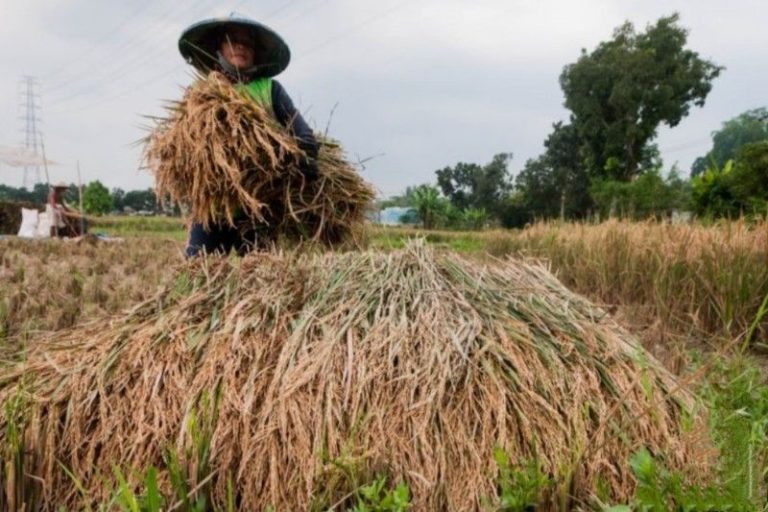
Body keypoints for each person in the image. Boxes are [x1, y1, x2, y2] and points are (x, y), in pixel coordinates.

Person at [178, 14, 319, 257]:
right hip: (212, 208)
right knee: (196, 278)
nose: (241, 46)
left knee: (263, 281)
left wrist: (287, 164)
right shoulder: (200, 94)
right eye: (233, 40)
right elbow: (182, 147)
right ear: (219, 48)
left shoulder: (269, 89)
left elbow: (304, 137)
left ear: (255, 53)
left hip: (259, 207)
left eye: (247, 43)